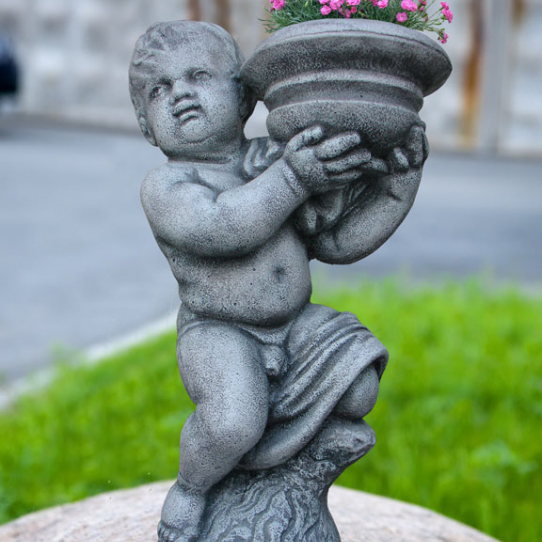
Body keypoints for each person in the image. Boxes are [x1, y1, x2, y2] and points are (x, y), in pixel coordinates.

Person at [129, 20, 424, 542]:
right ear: (147, 127)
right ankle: (194, 488)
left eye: (198, 75)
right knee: (232, 421)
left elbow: (337, 244)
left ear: (245, 99)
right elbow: (224, 227)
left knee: (358, 390)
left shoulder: (272, 158)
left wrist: (396, 184)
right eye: (159, 88)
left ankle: (284, 475)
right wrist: (292, 179)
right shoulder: (168, 185)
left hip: (294, 325)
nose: (179, 95)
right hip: (219, 331)